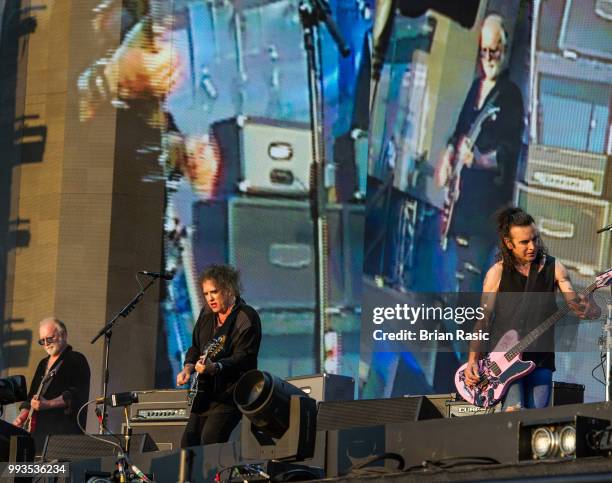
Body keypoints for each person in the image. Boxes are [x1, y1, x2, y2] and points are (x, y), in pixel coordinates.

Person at [463, 208, 601, 411]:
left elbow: (577, 304)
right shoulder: (497, 273)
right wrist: (472, 360)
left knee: (536, 421)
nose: (532, 246)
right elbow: (483, 321)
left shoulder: (555, 268)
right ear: (509, 244)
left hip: (541, 360)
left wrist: (590, 310)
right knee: (513, 412)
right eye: (524, 242)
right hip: (503, 361)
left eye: (535, 239)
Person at [434, 13, 524, 292]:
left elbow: (510, 152)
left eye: (493, 50)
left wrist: (481, 160)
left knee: (470, 286)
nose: (488, 58)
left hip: (485, 209)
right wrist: (447, 157)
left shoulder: (510, 96)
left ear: (504, 51)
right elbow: (459, 131)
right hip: (460, 203)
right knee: (448, 284)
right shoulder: (476, 87)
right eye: (483, 51)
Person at [176, 264, 261, 446]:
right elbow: (196, 347)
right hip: (205, 394)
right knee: (187, 444)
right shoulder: (207, 314)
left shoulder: (246, 316)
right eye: (206, 294)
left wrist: (215, 367)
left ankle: (214, 475)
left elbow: (243, 358)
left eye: (214, 292)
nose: (210, 298)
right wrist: (188, 368)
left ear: (229, 289)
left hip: (230, 395)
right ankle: (190, 476)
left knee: (210, 442)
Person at [12, 318, 91, 451]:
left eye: (49, 338)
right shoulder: (43, 363)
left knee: (59, 471)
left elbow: (77, 394)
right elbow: (32, 395)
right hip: (38, 436)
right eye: (42, 341)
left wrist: (47, 404)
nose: (46, 344)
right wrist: (23, 415)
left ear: (64, 335)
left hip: (63, 437)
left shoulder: (77, 359)